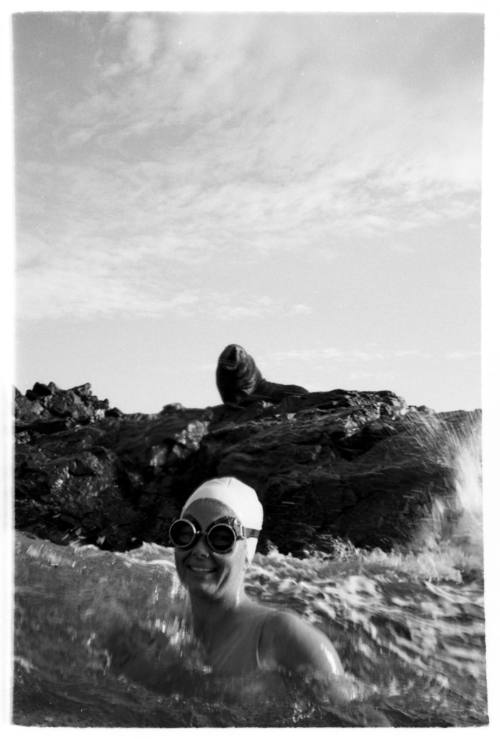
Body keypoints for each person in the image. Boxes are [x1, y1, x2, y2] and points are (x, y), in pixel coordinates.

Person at [97, 476, 390, 723]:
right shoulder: (159, 629)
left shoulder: (284, 637)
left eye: (220, 538)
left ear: (247, 552)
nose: (199, 550)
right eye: (186, 533)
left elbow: (362, 721)